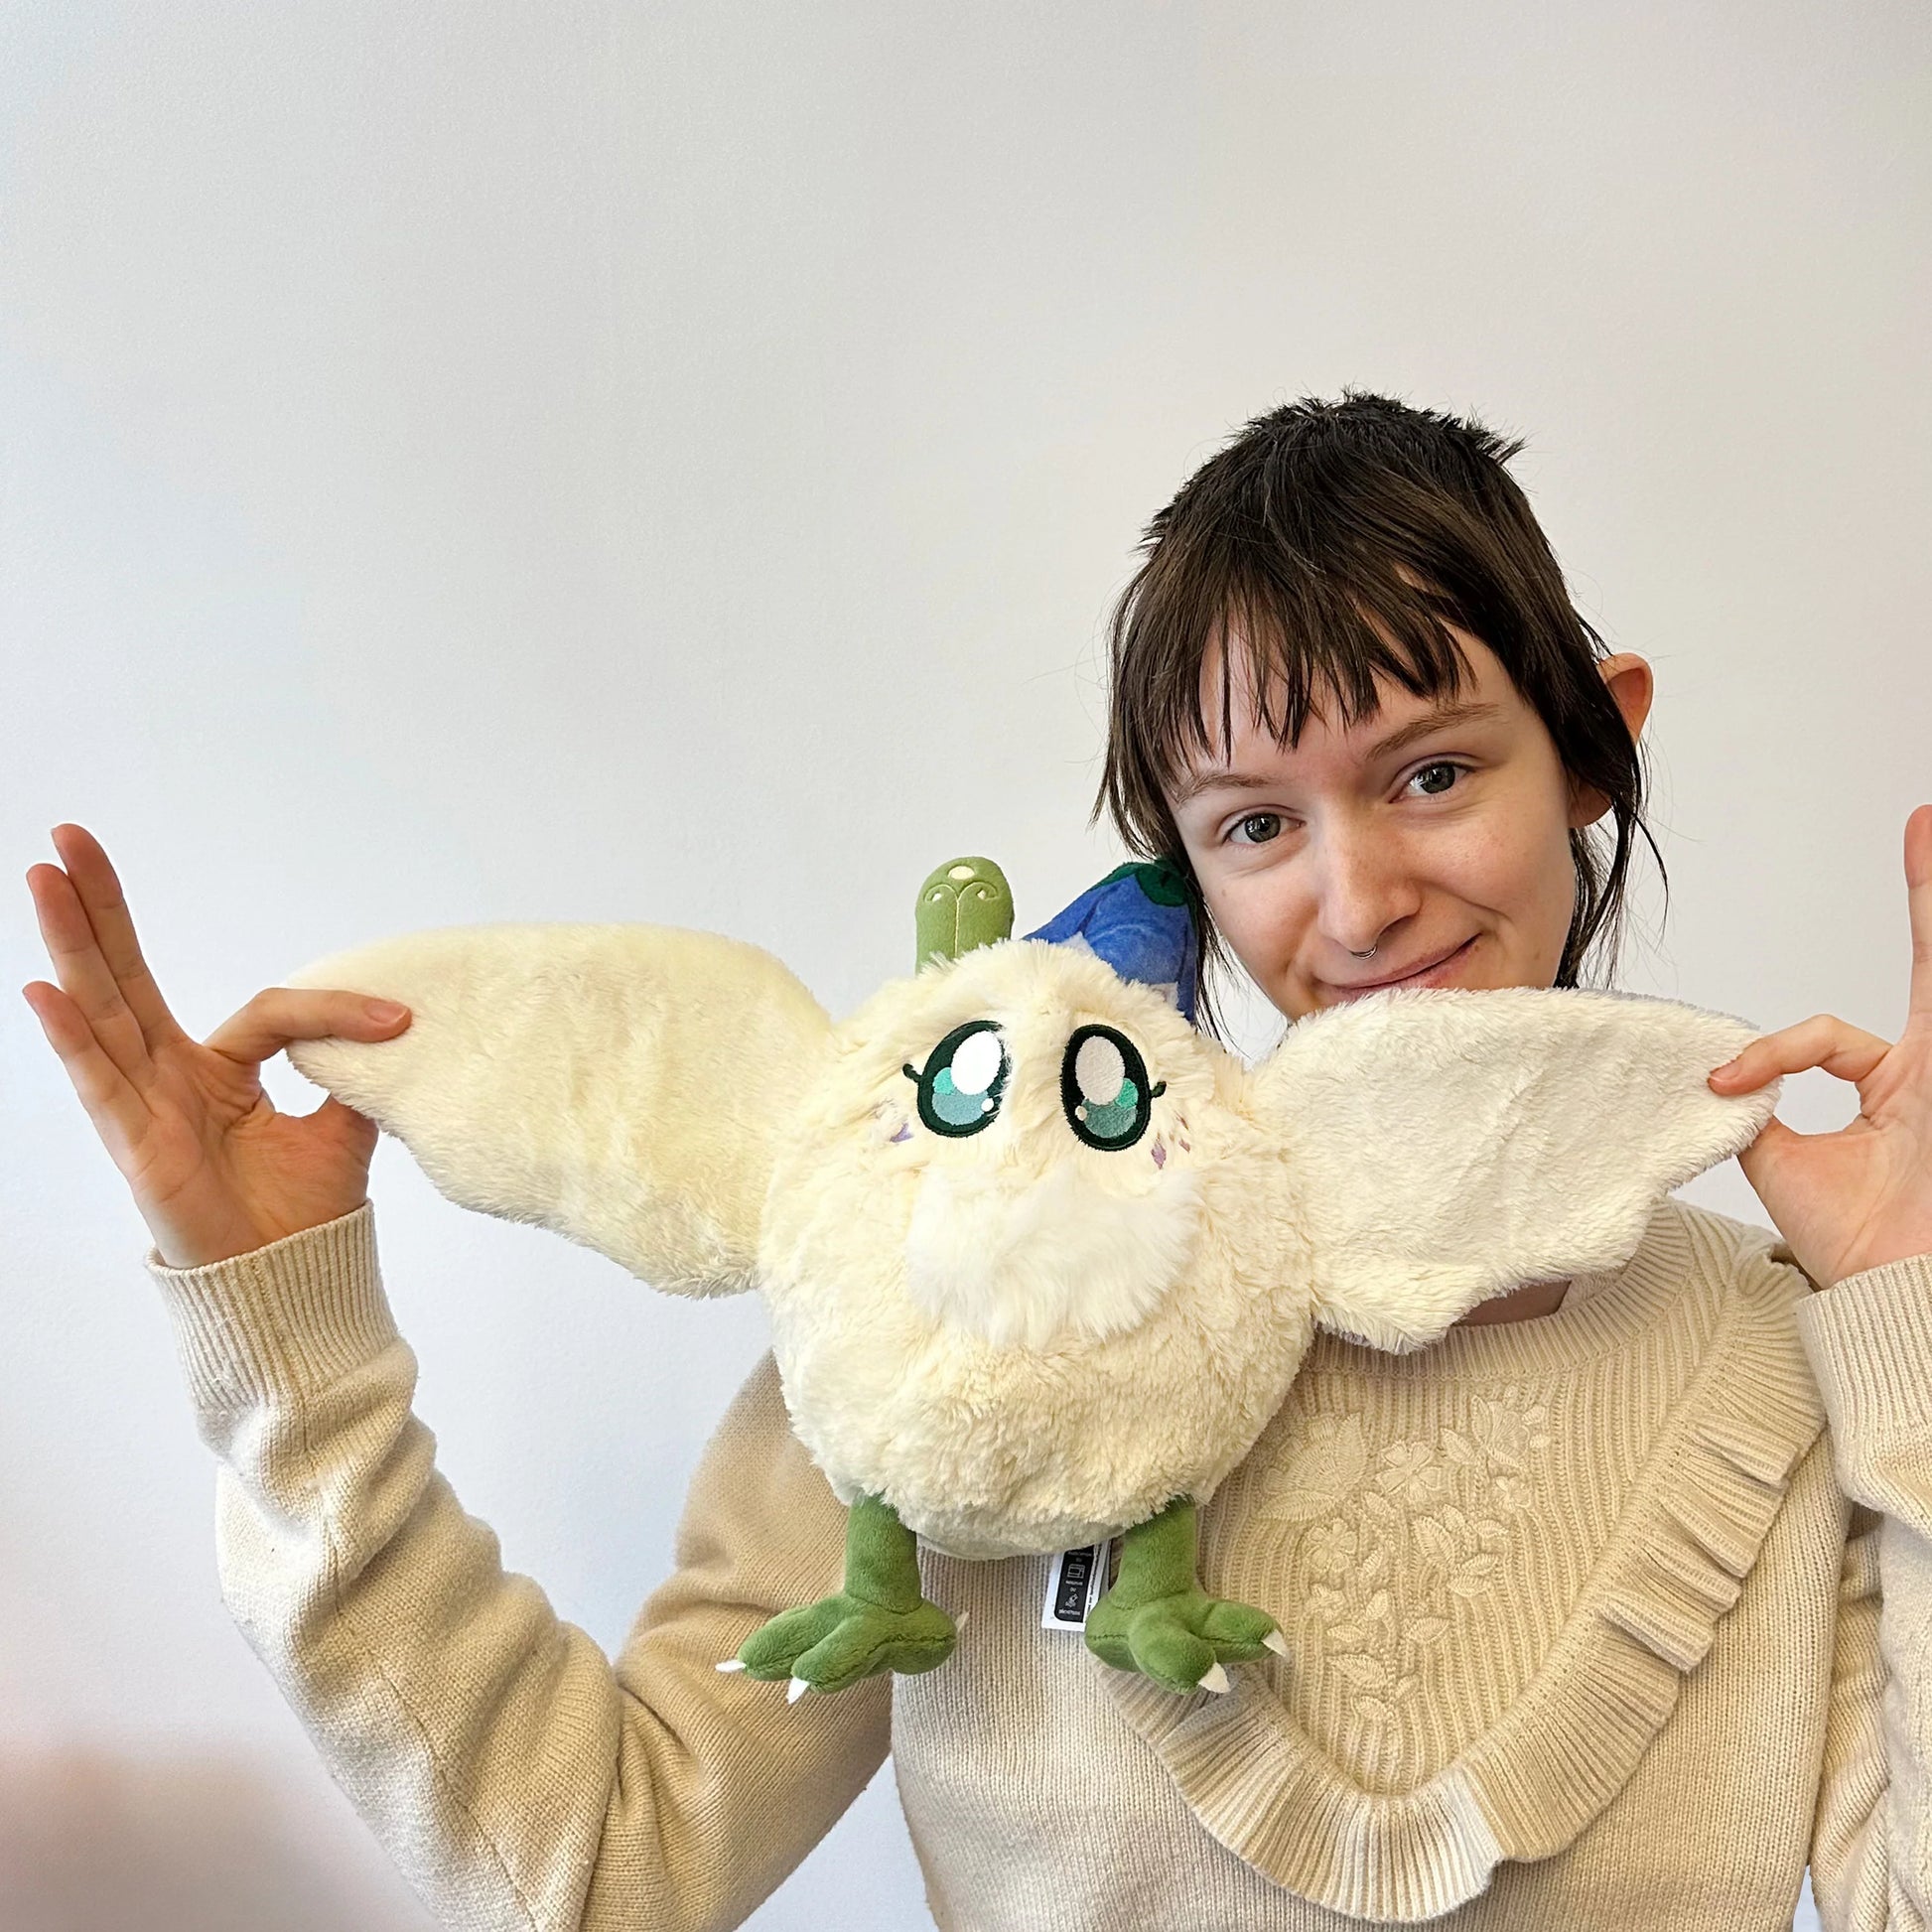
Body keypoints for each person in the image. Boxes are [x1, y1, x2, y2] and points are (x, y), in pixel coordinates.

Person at [23, 392, 1932, 1931]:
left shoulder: (1776, 1350)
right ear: (1186, 865)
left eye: (1432, 770)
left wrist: (1916, 1321)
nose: (1359, 895)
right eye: (1258, 819)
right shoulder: (961, 1269)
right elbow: (600, 1862)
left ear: (1592, 746)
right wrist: (293, 1359)